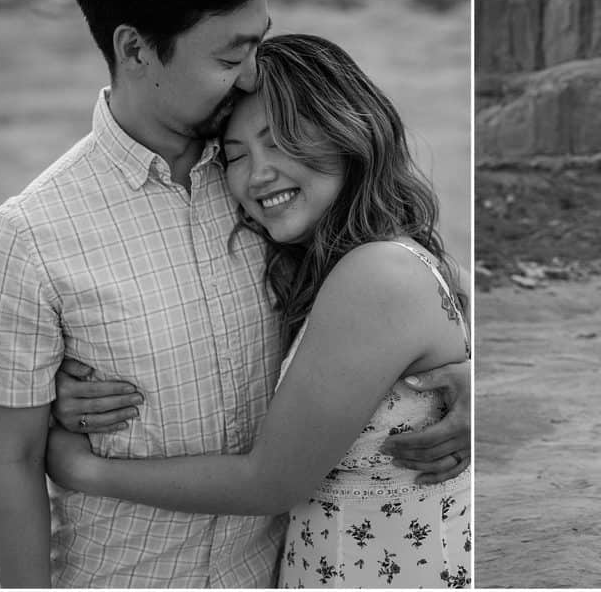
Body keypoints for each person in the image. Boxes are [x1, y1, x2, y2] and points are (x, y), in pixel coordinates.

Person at [0, 0, 469, 589]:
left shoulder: (268, 190)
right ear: (137, 49)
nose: (257, 73)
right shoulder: (32, 236)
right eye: (232, 54)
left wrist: (464, 378)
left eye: (258, 43)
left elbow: (407, 282)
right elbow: (12, 461)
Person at [46, 33, 471, 588]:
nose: (257, 174)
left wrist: (84, 469)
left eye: (281, 141)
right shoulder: (386, 255)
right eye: (237, 155)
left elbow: (270, 483)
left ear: (350, 131)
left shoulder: (375, 274)